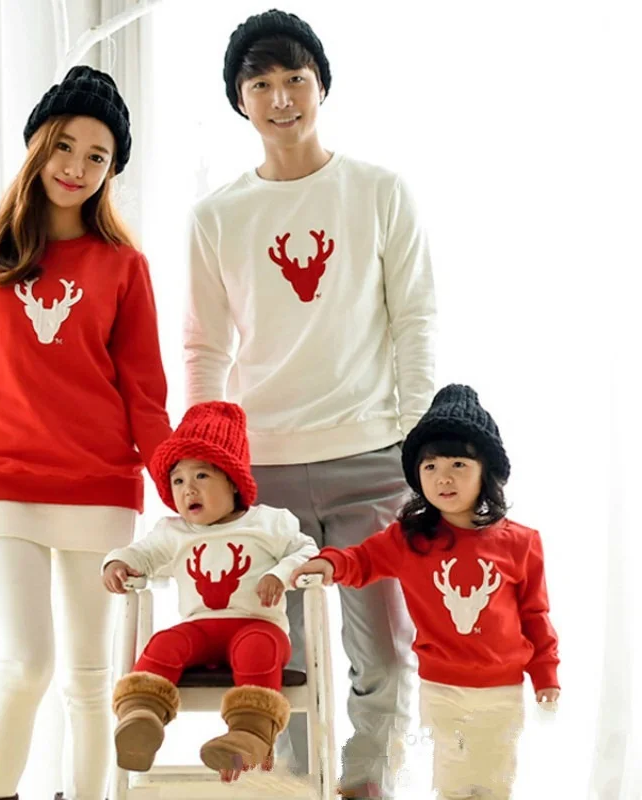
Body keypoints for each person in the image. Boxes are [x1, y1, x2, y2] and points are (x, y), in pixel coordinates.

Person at [184, 9, 437, 797]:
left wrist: (419, 442)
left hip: (372, 459)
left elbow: (415, 318)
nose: (282, 97)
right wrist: (205, 462)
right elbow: (203, 348)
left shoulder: (379, 192)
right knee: (276, 656)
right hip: (262, 471)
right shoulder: (216, 216)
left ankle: (366, 781)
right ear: (240, 101)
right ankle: (291, 784)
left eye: (296, 78)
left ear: (321, 85)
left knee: (384, 648)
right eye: (260, 84)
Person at [0, 65, 171, 800]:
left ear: (112, 171)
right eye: (65, 146)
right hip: (1, 484)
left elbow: (146, 397)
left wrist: (186, 493)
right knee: (25, 664)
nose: (77, 167)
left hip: (100, 488)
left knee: (90, 678)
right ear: (38, 145)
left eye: (98, 156)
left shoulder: (124, 266)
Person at [291, 384, 561, 800]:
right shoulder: (409, 540)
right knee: (452, 778)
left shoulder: (521, 543)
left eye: (458, 464)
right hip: (441, 689)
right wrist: (330, 564)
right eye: (430, 466)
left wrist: (545, 673)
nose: (443, 477)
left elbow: (535, 614)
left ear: (486, 472)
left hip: (502, 690)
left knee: (494, 779)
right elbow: (361, 560)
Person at [102, 401, 319, 783]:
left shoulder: (268, 522)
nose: (189, 489)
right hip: (199, 629)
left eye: (201, 475)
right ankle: (141, 715)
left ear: (233, 481)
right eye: (178, 481)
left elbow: (307, 551)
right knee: (165, 643)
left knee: (258, 648)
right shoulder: (173, 531)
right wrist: (117, 562)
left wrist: (281, 574)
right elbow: (142, 554)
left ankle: (249, 734)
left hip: (258, 626)